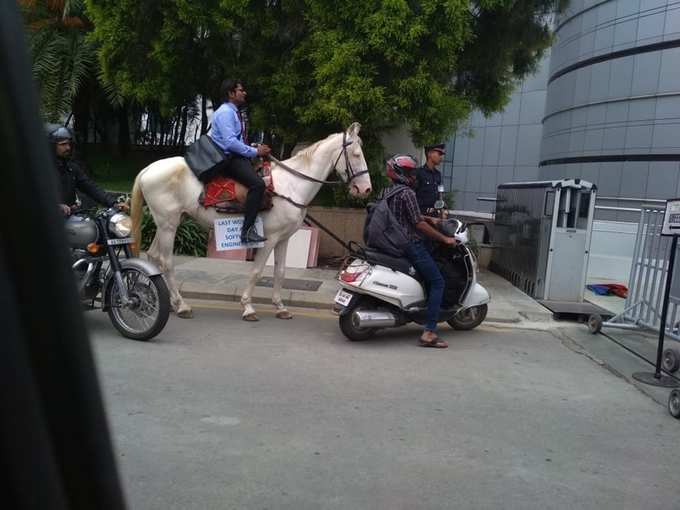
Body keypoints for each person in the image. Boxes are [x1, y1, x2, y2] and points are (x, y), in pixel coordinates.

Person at [382, 154, 458, 348]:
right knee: (438, 282)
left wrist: (430, 218)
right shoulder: (407, 193)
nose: (413, 176)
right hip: (411, 244)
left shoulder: (388, 191)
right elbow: (418, 224)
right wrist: (444, 238)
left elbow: (409, 215)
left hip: (393, 241)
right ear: (402, 173)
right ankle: (429, 332)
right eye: (409, 172)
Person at [209, 79, 272, 244]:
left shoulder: (233, 112)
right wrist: (255, 151)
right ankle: (247, 232)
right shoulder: (225, 113)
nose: (244, 93)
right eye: (240, 90)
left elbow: (236, 140)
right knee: (258, 185)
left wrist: (253, 147)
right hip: (227, 159)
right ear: (231, 94)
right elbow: (230, 143)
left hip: (235, 155)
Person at [48, 124, 125, 216]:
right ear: (50, 146)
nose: (68, 147)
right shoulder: (41, 170)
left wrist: (113, 203)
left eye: (69, 144)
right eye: (63, 144)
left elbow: (90, 187)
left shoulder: (71, 168)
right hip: (46, 221)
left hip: (69, 218)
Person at [414, 143, 445, 214]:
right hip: (421, 215)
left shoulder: (438, 174)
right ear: (429, 154)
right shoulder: (418, 173)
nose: (441, 157)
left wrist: (442, 209)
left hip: (435, 214)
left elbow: (440, 195)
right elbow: (412, 196)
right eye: (439, 154)